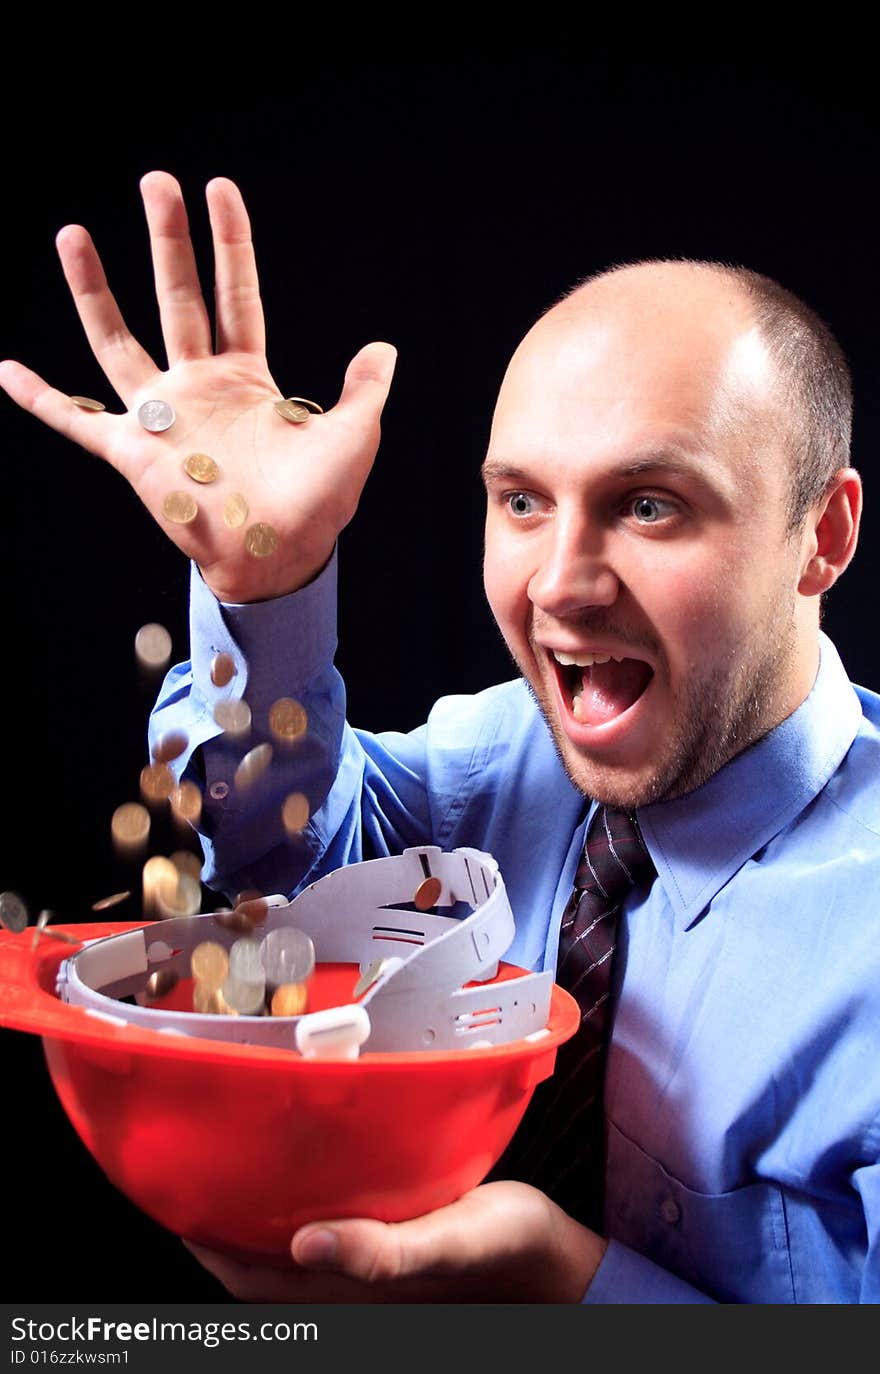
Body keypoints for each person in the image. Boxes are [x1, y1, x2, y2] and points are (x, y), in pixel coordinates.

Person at [2, 171, 878, 1304]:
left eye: (651, 503)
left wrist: (561, 1293)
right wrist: (261, 590)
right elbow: (272, 872)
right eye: (521, 502)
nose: (559, 584)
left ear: (822, 536)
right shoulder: (490, 764)